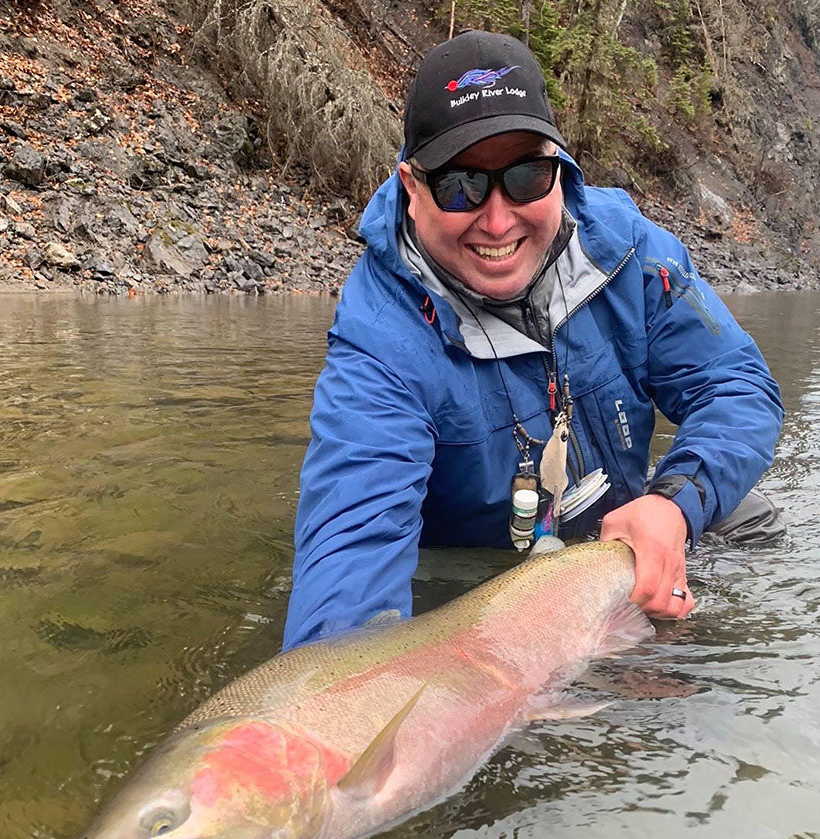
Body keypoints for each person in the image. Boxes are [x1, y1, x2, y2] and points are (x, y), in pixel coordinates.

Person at [282, 30, 784, 652]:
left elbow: (736, 386)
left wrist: (674, 507)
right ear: (412, 190)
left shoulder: (633, 253)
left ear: (561, 168)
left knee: (747, 512)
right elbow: (351, 544)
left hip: (609, 544)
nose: (497, 221)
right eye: (459, 186)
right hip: (481, 586)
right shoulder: (379, 342)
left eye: (525, 177)